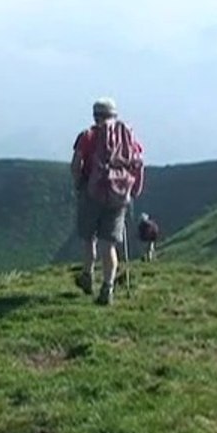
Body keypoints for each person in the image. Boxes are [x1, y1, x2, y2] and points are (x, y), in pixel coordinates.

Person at [70, 97, 145, 305]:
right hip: (119, 196)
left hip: (91, 193)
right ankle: (108, 287)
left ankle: (87, 275)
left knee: (89, 238)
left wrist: (78, 185)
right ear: (114, 114)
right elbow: (137, 161)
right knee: (108, 244)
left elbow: (76, 165)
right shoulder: (127, 137)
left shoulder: (88, 136)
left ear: (95, 115)